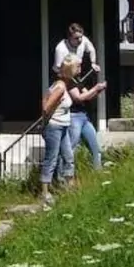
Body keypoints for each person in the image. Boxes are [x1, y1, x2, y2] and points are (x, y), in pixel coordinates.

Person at [38, 58, 78, 206]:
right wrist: (45, 123)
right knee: (51, 159)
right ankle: (45, 193)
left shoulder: (61, 85)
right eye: (78, 66)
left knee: (68, 157)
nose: (80, 69)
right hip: (54, 127)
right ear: (71, 70)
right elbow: (46, 106)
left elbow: (44, 98)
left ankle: (69, 187)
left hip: (63, 127)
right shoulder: (60, 88)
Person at [66, 54, 108, 175]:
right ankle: (66, 175)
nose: (80, 68)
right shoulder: (68, 81)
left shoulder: (77, 80)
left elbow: (87, 95)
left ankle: (97, 171)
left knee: (95, 146)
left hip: (84, 117)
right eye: (78, 66)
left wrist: (98, 90)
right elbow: (78, 98)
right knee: (71, 147)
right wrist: (95, 88)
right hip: (74, 117)